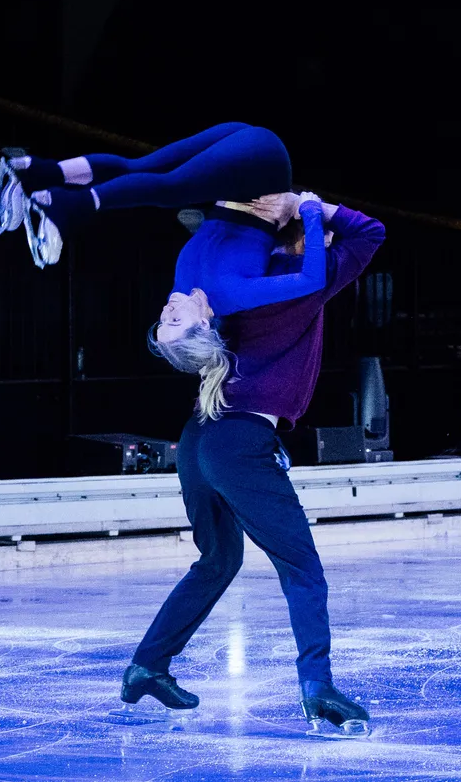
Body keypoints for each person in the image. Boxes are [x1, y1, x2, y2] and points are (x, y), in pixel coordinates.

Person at [125, 191, 387, 737]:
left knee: (218, 560)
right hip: (239, 442)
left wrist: (299, 215)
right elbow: (372, 233)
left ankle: (148, 664)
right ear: (313, 245)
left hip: (197, 440)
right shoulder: (301, 287)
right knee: (302, 569)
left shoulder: (250, 282)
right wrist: (316, 208)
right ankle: (318, 686)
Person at [0, 123, 330, 326]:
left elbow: (228, 233)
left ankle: (34, 171)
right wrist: (310, 208)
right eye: (174, 321)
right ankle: (66, 206)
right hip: (264, 166)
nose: (166, 311)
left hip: (243, 170)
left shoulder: (183, 285)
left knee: (139, 168)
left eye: (161, 322)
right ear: (202, 324)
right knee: (171, 189)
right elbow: (313, 278)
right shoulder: (232, 295)